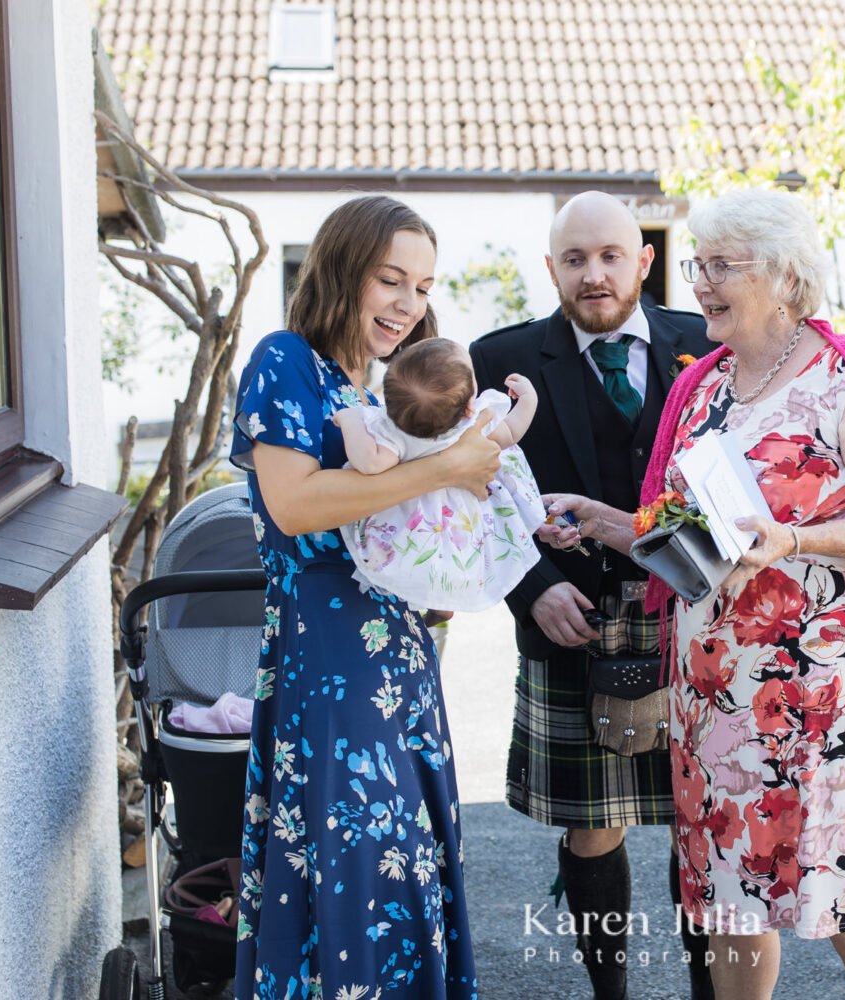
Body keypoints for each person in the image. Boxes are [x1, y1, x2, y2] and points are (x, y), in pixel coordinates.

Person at [544, 188, 845, 1000]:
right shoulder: (702, 387)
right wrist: (599, 522)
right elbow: (679, 533)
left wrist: (794, 539)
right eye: (699, 263)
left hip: (818, 698)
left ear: (788, 277)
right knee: (730, 901)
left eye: (724, 265)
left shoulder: (843, 376)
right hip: (713, 700)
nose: (700, 282)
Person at [230, 195, 499, 999]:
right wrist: (445, 471)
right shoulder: (284, 360)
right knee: (352, 863)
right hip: (327, 663)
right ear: (344, 270)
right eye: (390, 279)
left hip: (401, 655)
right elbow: (295, 504)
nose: (407, 305)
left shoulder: (378, 387)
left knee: (406, 864)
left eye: (421, 287)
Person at [468, 190, 716, 999]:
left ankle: (713, 991)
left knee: (705, 823)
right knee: (591, 825)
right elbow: (472, 502)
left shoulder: (706, 345)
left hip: (694, 621)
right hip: (568, 622)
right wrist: (531, 587)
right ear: (552, 268)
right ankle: (609, 993)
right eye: (575, 259)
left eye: (612, 256)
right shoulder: (497, 361)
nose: (594, 274)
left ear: (645, 261)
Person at [333, 336, 546, 612]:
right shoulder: (476, 421)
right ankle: (443, 606)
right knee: (452, 559)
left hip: (418, 525)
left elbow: (369, 464)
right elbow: (511, 432)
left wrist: (352, 420)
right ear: (469, 406)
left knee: (420, 560)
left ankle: (437, 606)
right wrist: (529, 398)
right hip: (460, 520)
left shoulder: (392, 432)